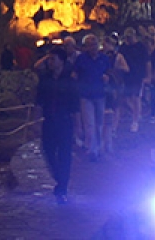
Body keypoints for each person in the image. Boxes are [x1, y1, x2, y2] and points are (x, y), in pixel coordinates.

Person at [34, 45, 79, 203]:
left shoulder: (69, 80)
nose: (50, 62)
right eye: (49, 59)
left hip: (65, 121)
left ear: (62, 61)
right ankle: (59, 177)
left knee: (65, 155)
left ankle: (62, 187)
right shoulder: (45, 79)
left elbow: (75, 105)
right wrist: (36, 122)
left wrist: (78, 127)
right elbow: (39, 101)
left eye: (53, 59)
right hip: (49, 121)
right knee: (48, 151)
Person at [71, 34, 112, 161]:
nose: (93, 47)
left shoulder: (104, 59)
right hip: (86, 95)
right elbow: (75, 73)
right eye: (90, 45)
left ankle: (99, 147)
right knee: (89, 123)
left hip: (100, 94)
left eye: (94, 44)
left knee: (99, 122)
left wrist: (107, 78)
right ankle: (92, 149)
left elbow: (109, 72)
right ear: (86, 47)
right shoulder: (82, 59)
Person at [100, 33, 130, 153]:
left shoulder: (118, 56)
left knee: (116, 106)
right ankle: (106, 128)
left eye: (105, 44)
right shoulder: (101, 55)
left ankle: (113, 127)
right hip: (105, 84)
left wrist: (116, 70)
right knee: (107, 106)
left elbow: (126, 69)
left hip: (116, 84)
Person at [118, 27, 150, 133]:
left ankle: (135, 120)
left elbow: (147, 62)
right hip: (127, 76)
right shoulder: (123, 47)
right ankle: (136, 114)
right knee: (126, 98)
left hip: (138, 76)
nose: (128, 40)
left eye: (129, 37)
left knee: (136, 98)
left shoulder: (141, 47)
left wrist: (148, 76)